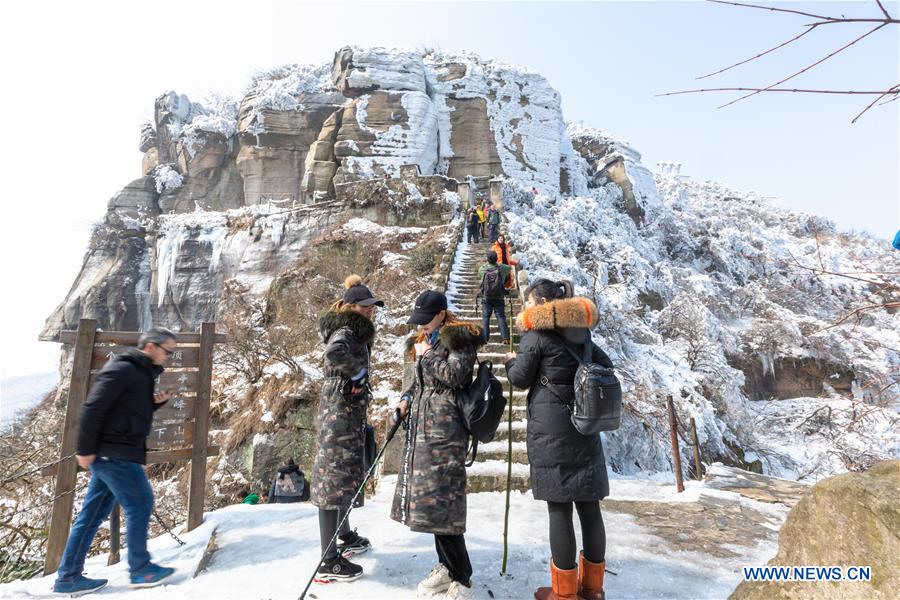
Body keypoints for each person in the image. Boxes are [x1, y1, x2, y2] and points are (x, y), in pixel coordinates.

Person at [504, 279, 613, 600]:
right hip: (584, 426)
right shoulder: (583, 334)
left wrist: (512, 359)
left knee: (560, 509)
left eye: (528, 302)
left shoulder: (535, 336)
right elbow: (606, 366)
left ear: (539, 302)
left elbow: (519, 378)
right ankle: (593, 590)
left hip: (552, 433)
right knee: (590, 508)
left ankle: (564, 594)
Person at [53, 328, 179, 595]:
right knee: (140, 503)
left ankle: (67, 577)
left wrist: (154, 404)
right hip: (113, 453)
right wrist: (84, 450)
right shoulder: (123, 369)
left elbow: (125, 409)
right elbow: (93, 408)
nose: (170, 356)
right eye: (168, 351)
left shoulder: (140, 373)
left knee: (91, 515)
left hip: (116, 451)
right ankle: (141, 569)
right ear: (150, 347)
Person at [391, 290, 482, 600]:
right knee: (431, 502)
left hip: (447, 431)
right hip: (424, 429)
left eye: (427, 320)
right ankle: (446, 565)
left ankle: (461, 575)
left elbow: (455, 376)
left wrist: (427, 356)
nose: (423, 326)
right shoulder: (426, 340)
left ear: (443, 313)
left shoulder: (460, 339)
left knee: (445, 500)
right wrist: (405, 399)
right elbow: (420, 383)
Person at [309, 275, 383, 583]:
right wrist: (359, 375)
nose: (370, 311)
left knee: (343, 478)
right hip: (338, 418)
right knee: (332, 481)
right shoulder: (345, 330)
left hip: (344, 415)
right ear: (351, 306)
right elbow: (335, 353)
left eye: (372, 306)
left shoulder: (353, 330)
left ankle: (345, 535)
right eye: (365, 306)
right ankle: (328, 561)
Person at [478, 251, 512, 345]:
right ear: (497, 258)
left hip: (486, 298)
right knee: (501, 316)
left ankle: (484, 339)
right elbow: (510, 268)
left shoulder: (482, 269)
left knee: (485, 317)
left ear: (487, 259)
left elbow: (480, 278)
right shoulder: (502, 268)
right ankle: (505, 338)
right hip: (499, 297)